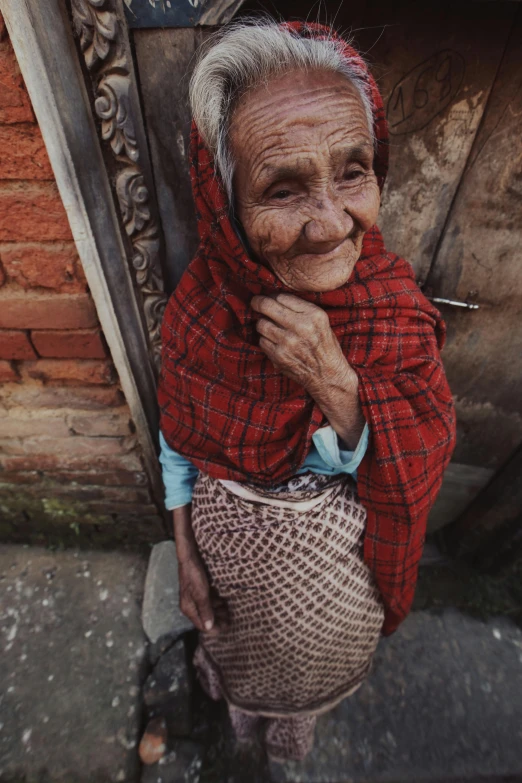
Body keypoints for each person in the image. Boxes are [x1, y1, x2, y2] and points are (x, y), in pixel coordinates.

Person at [158, 19, 456, 762]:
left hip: (340, 592)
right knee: (235, 660)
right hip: (233, 584)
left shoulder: (394, 311)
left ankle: (289, 742)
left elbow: (420, 458)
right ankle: (241, 726)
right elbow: (178, 439)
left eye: (352, 171)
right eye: (282, 187)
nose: (330, 223)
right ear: (225, 202)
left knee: (309, 684)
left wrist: (336, 381)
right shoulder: (202, 313)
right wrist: (187, 556)